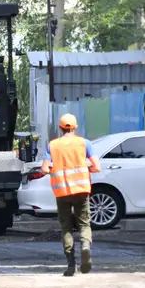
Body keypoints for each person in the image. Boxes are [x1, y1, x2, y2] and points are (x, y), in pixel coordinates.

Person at [41, 113, 101, 277]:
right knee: (84, 224)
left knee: (66, 228)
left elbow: (45, 169)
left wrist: (55, 168)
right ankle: (86, 247)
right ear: (75, 127)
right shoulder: (84, 143)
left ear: (60, 128)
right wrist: (86, 168)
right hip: (81, 190)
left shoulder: (53, 146)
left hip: (62, 193)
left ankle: (70, 266)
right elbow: (97, 167)